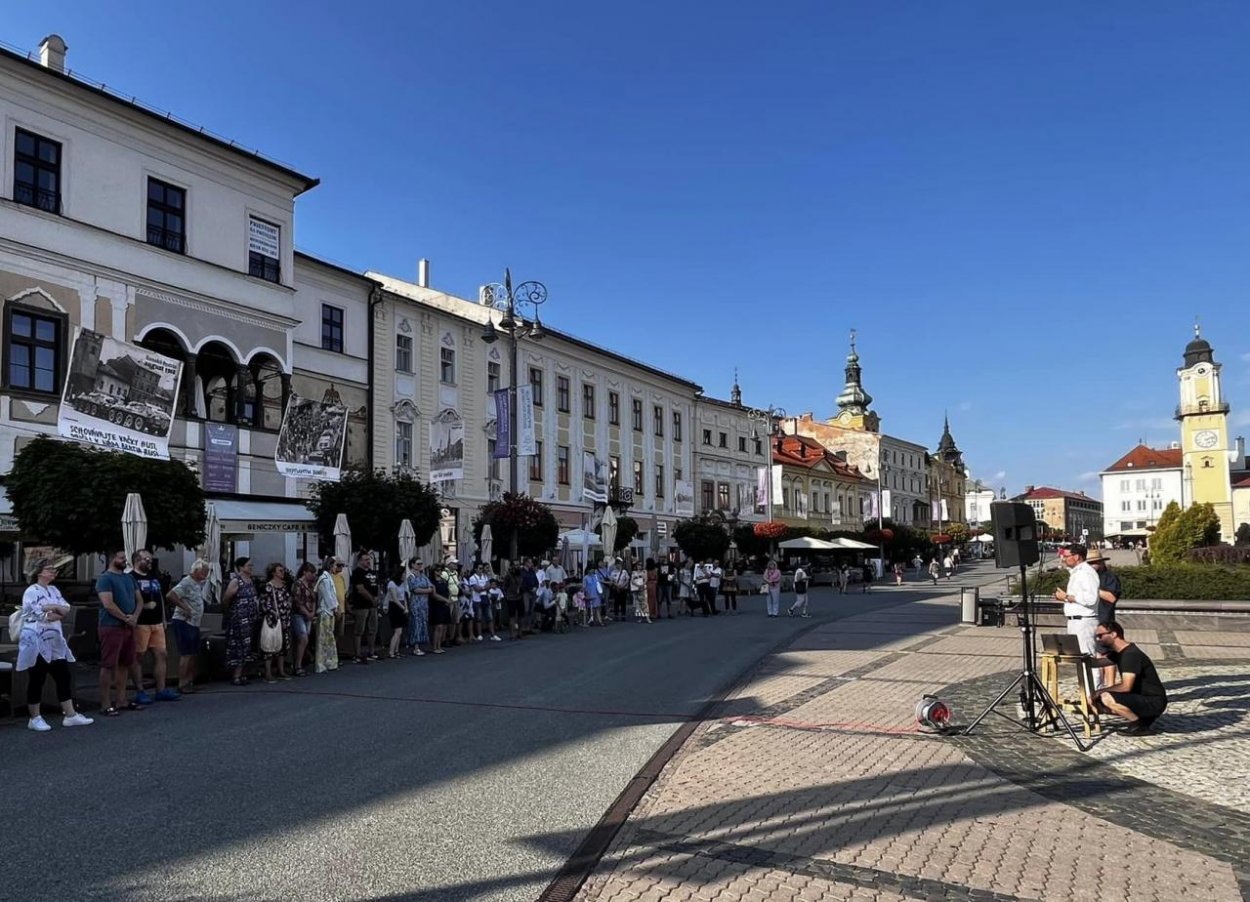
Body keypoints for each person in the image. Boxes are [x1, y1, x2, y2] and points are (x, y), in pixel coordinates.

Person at [17, 558, 93, 731]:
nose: (53, 572)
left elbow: (65, 610)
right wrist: (52, 608)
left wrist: (51, 608)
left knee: (63, 675)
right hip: (36, 639)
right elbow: (36, 613)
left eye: (54, 570)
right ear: (39, 572)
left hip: (55, 640)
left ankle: (70, 714)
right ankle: (34, 717)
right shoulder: (31, 591)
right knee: (38, 676)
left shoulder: (54, 589)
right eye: (50, 569)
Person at [1094, 621, 1168, 735]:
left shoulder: (1130, 655)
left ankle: (1139, 725)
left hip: (1153, 701)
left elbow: (1126, 687)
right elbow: (1098, 663)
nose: (1098, 639)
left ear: (1113, 634)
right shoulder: (1121, 652)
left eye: (1100, 636)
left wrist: (1100, 691)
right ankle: (1140, 720)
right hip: (1141, 697)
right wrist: (1075, 656)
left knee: (1106, 697)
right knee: (1097, 702)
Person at [97, 549, 142, 713]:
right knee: (109, 664)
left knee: (125, 663)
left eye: (125, 558)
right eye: (121, 558)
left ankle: (121, 700)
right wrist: (125, 617)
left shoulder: (129, 577)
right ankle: (105, 703)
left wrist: (135, 616)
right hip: (111, 626)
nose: (124, 561)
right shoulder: (105, 579)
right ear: (112, 559)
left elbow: (139, 600)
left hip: (128, 626)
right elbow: (108, 604)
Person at [132, 549, 179, 702]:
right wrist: (144, 607)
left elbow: (159, 597)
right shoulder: (131, 578)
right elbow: (128, 600)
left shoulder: (154, 577)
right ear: (137, 560)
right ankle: (140, 690)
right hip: (141, 623)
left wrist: (164, 617)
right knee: (138, 656)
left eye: (150, 560)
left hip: (157, 622)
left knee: (161, 654)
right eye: (146, 559)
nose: (150, 562)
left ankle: (161, 688)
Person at [1053, 544, 1100, 670]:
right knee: (1079, 658)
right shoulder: (1076, 573)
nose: (1064, 559)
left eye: (1067, 556)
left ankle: (1094, 688)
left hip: (1084, 621)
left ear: (1077, 556)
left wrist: (1067, 597)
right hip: (1075, 621)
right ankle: (1085, 687)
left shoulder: (1086, 573)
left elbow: (1091, 598)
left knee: (1087, 657)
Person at [167, 558, 209, 693]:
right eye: (204, 571)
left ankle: (190, 680)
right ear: (196, 570)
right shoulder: (186, 582)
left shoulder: (197, 583)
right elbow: (171, 595)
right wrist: (185, 608)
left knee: (193, 653)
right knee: (186, 653)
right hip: (184, 622)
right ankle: (182, 683)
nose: (206, 574)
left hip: (194, 623)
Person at [1087, 547, 1122, 686]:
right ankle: (1099, 684)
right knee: (1096, 654)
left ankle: (1110, 685)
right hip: (1090, 620)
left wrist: (1093, 590)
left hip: (1105, 620)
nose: (1092, 565)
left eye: (1095, 562)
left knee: (1107, 655)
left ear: (1101, 563)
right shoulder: (1088, 578)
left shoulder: (1109, 578)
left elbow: (1112, 597)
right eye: (1089, 563)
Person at [221, 556, 258, 686]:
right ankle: (236, 675)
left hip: (249, 619)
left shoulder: (250, 581)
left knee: (247, 647)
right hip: (239, 619)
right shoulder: (236, 581)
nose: (251, 568)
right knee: (239, 646)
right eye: (249, 565)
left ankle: (242, 673)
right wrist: (232, 611)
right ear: (241, 567)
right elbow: (226, 598)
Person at [258, 563, 292, 683]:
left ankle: (281, 670)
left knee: (282, 646)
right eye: (280, 571)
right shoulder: (268, 587)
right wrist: (273, 613)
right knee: (270, 646)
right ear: (273, 573)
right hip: (273, 620)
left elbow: (287, 599)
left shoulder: (284, 586)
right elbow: (263, 603)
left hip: (285, 619)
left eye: (283, 571)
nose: (282, 573)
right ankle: (268, 673)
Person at [349, 552, 381, 664]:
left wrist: (377, 598)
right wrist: (372, 599)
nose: (368, 561)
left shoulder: (373, 572)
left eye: (369, 559)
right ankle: (357, 654)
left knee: (373, 629)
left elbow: (377, 585)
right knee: (359, 630)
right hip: (361, 605)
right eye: (366, 559)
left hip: (373, 606)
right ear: (360, 561)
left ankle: (371, 652)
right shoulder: (357, 573)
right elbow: (360, 589)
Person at [290, 562, 317, 676]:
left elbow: (314, 599)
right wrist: (307, 612)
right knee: (303, 638)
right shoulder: (297, 584)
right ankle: (297, 665)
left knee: (305, 639)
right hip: (299, 614)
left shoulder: (310, 585)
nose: (313, 575)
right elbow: (297, 601)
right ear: (304, 572)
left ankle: (302, 660)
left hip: (309, 614)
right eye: (311, 572)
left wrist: (312, 612)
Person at [314, 558, 341, 673]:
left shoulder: (328, 578)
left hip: (329, 611)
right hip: (325, 610)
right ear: (330, 565)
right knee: (322, 638)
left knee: (329, 638)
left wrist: (336, 606)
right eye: (335, 565)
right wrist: (335, 607)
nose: (336, 567)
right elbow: (327, 596)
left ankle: (330, 662)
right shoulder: (324, 579)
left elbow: (332, 595)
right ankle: (321, 664)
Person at [405, 557, 432, 654]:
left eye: (421, 563)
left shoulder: (423, 576)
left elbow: (431, 588)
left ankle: (420, 644)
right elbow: (415, 590)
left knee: (423, 623)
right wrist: (425, 590)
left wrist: (423, 590)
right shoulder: (411, 577)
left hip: (424, 604)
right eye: (418, 564)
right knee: (416, 624)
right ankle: (415, 647)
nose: (420, 565)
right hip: (415, 603)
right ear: (412, 565)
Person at [384, 566, 409, 658]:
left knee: (400, 631)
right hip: (395, 607)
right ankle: (391, 652)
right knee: (397, 631)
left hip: (401, 605)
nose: (404, 576)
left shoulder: (402, 584)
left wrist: (406, 607)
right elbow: (394, 598)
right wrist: (403, 608)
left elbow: (404, 597)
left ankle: (397, 650)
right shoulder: (391, 583)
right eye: (403, 574)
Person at [429, 563, 453, 653]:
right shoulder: (431, 581)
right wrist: (445, 600)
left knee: (443, 626)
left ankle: (439, 645)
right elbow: (434, 594)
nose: (439, 572)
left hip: (444, 605)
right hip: (436, 605)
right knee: (438, 626)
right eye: (437, 570)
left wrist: (449, 599)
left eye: (440, 570)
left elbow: (449, 590)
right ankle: (435, 647)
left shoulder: (443, 580)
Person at [503, 564, 525, 640]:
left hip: (520, 597)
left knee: (521, 616)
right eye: (515, 566)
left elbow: (523, 584)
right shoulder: (508, 576)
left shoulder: (521, 575)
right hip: (511, 598)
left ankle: (520, 633)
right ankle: (512, 635)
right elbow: (505, 586)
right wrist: (507, 595)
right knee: (512, 617)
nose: (517, 567)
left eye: (518, 565)